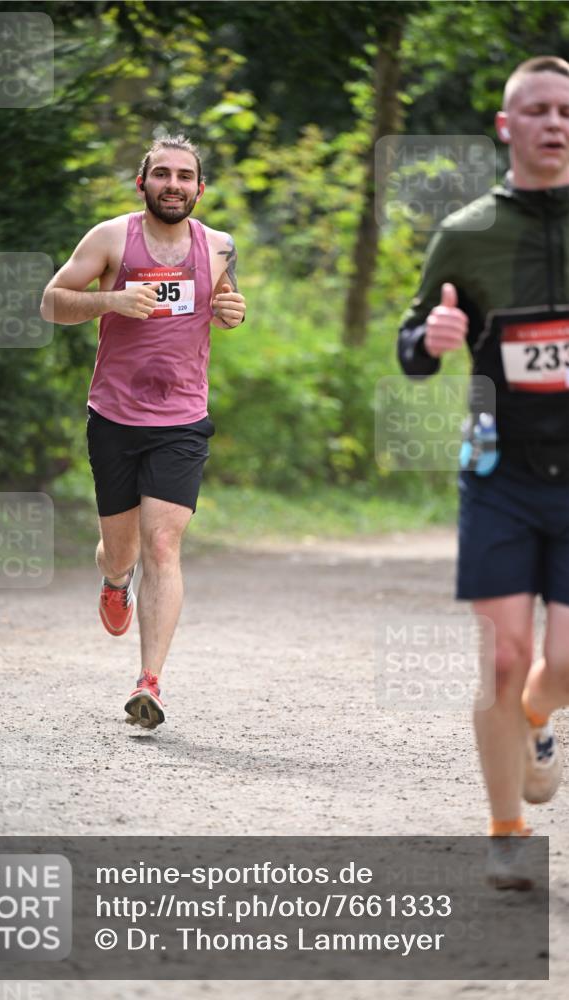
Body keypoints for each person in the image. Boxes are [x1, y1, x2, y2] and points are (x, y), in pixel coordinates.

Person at [397, 57, 569, 889]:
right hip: (499, 473)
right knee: (502, 657)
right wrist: (427, 340)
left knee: (560, 663)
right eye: (535, 110)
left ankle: (536, 714)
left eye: (565, 110)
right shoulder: (466, 233)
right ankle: (506, 832)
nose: (553, 123)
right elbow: (412, 343)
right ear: (506, 127)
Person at [41, 135, 246, 730]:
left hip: (182, 419)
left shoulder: (219, 245)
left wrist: (233, 312)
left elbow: (226, 303)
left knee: (162, 545)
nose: (173, 184)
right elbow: (52, 303)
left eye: (184, 176)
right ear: (143, 182)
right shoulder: (110, 238)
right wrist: (113, 300)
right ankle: (113, 579)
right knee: (123, 549)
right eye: (162, 174)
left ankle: (149, 682)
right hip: (114, 416)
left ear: (199, 188)